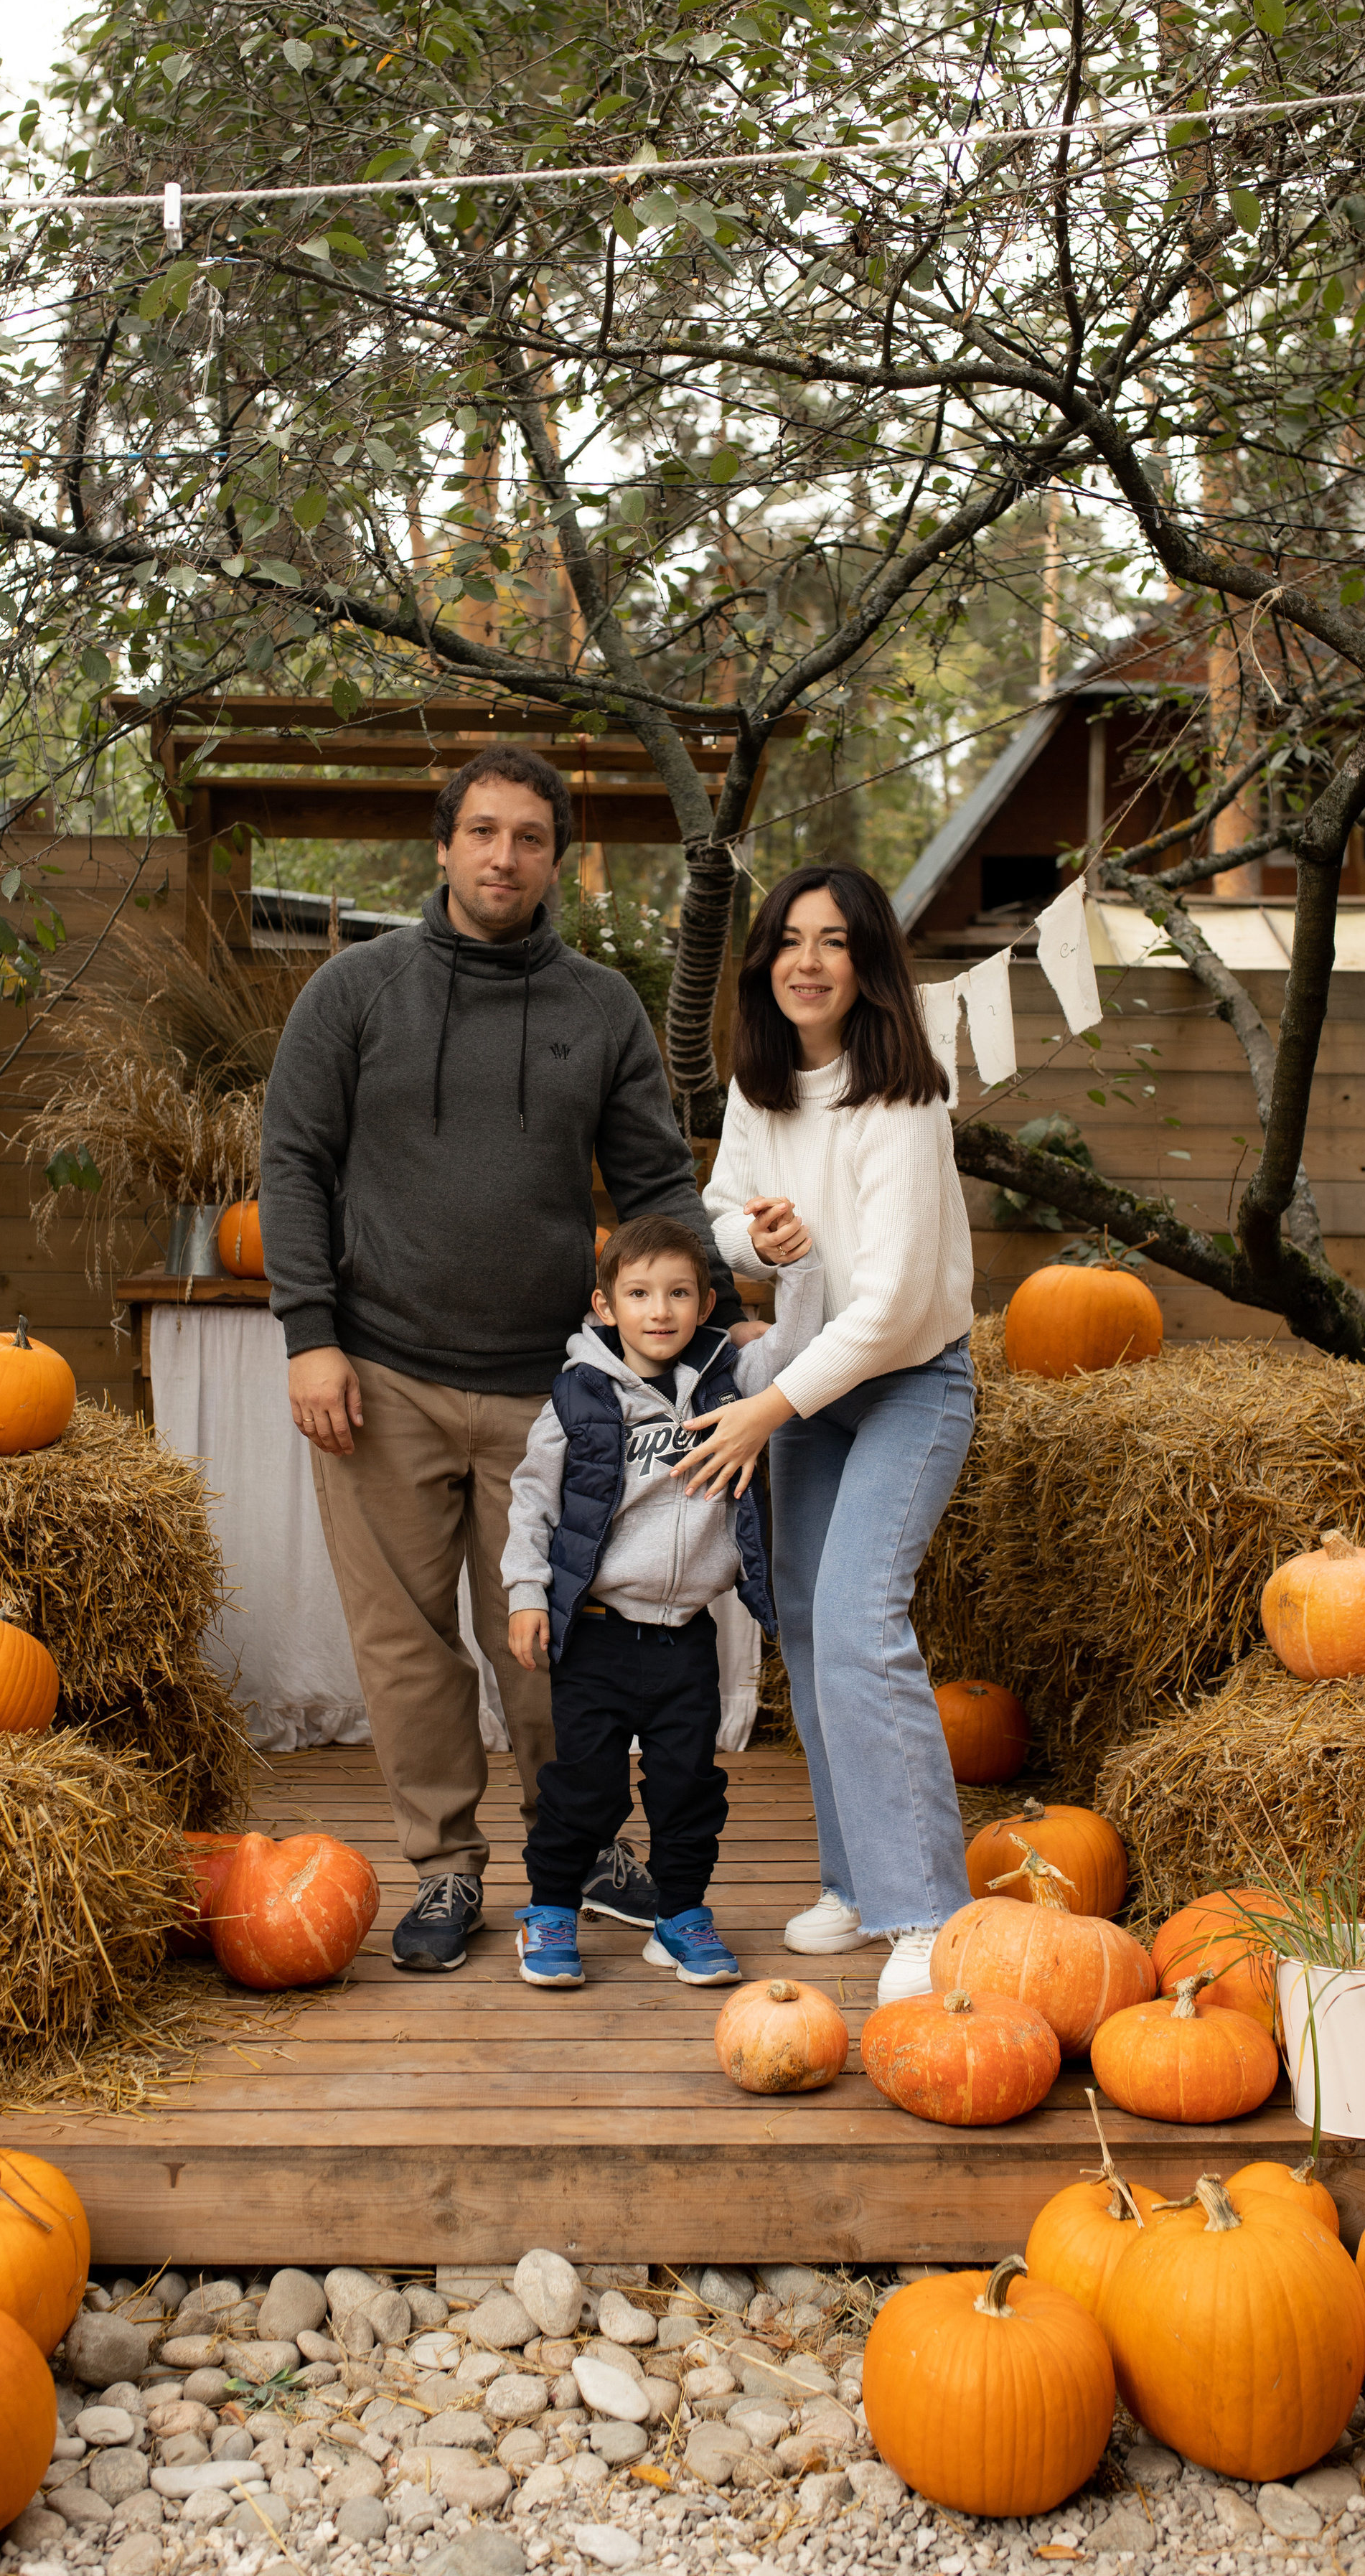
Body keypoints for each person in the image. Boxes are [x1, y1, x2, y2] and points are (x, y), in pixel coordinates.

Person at [258, 742, 746, 1972]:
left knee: (548, 1636)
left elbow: (653, 1181)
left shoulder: (599, 1008)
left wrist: (724, 1317)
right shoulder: (355, 994)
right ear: (443, 846)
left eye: (529, 837)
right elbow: (294, 1165)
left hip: (556, 1388)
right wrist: (310, 1336)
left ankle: (568, 1855)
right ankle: (445, 1872)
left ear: (556, 860)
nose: (503, 856)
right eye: (482, 831)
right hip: (382, 1376)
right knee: (405, 1644)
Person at [682, 862, 977, 2006]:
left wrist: (768, 1402)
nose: (809, 960)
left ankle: (929, 1912)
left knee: (859, 1619)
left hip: (907, 1384)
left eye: (835, 942)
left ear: (867, 965)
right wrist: (763, 1241)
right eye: (790, 940)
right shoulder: (759, 1088)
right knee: (804, 1631)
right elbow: (721, 1213)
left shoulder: (901, 1098)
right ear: (765, 962)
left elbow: (899, 1300)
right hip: (806, 1382)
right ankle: (857, 1884)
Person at [501, 1210, 823, 1990]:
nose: (660, 1310)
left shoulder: (729, 1379)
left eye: (679, 1293)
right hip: (600, 1636)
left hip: (686, 1638)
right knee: (586, 1786)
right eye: (640, 1293)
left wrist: (800, 1272)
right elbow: (532, 1502)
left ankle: (680, 1915)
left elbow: (799, 1351)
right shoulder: (577, 1396)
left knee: (687, 1786)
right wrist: (525, 1593)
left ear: (706, 1305)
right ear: (604, 1305)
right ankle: (548, 1909)